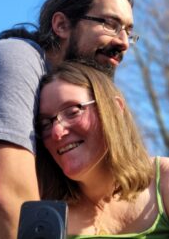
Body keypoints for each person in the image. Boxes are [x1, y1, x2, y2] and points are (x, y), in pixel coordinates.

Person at [0, 0, 138, 239]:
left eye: (128, 31)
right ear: (61, 25)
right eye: (110, 24)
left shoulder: (67, 91)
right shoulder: (14, 59)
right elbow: (10, 203)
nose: (123, 42)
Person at [36, 61, 169, 238]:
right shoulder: (41, 209)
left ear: (115, 109)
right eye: (45, 123)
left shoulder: (163, 180)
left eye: (73, 111)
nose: (56, 132)